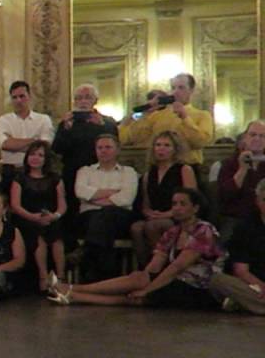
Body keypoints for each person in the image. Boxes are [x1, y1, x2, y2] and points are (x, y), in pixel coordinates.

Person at [49, 188, 220, 309]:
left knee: (138, 296)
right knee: (139, 278)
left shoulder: (203, 230)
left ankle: (74, 291)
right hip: (175, 279)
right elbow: (156, 263)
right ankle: (72, 292)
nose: (177, 208)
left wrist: (148, 289)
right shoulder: (173, 232)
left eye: (183, 204)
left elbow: (178, 266)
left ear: (195, 208)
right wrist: (145, 279)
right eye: (174, 203)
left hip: (198, 285)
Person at [52, 83, 119, 235]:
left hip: (99, 171)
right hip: (72, 171)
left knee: (95, 208)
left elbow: (114, 145)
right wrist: (66, 128)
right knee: (72, 208)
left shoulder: (107, 122)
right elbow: (56, 149)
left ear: (95, 100)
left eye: (87, 97)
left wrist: (101, 126)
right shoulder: (68, 122)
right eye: (79, 98)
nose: (83, 101)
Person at [74, 134, 138, 283]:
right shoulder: (85, 171)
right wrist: (113, 192)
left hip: (120, 217)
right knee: (103, 217)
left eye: (108, 147)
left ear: (117, 150)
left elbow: (126, 198)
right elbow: (81, 192)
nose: (103, 151)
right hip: (88, 217)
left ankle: (89, 262)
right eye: (100, 148)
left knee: (107, 214)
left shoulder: (128, 172)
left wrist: (94, 196)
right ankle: (107, 276)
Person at [131, 131, 197, 267]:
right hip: (156, 215)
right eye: (158, 145)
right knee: (136, 228)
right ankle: (145, 267)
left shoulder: (184, 170)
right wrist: (149, 213)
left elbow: (191, 200)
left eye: (167, 145)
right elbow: (145, 203)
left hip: (178, 215)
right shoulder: (149, 174)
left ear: (175, 149)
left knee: (154, 226)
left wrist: (169, 213)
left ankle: (162, 267)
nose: (161, 149)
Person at [119, 73, 213, 166]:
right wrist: (146, 112)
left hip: (188, 165)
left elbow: (200, 142)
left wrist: (185, 117)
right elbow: (136, 138)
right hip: (159, 165)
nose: (175, 92)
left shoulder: (202, 115)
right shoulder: (157, 115)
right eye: (173, 88)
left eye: (181, 88)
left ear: (191, 90)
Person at [9, 140, 66, 292]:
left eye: (40, 155)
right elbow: (15, 205)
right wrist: (32, 217)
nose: (35, 158)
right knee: (38, 235)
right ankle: (43, 277)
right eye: (32, 154)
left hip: (50, 216)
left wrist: (55, 215)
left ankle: (60, 277)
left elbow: (62, 204)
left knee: (56, 234)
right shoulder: (19, 178)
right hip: (26, 218)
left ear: (46, 159)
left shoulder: (55, 179)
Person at [210, 178, 265, 315]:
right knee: (218, 281)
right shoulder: (245, 228)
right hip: (253, 285)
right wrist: (262, 286)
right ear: (257, 201)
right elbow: (241, 270)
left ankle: (243, 304)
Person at [0, 80, 54, 183]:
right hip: (10, 171)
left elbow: (44, 147)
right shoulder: (3, 120)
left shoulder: (43, 119)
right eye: (14, 97)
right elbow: (5, 144)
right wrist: (35, 140)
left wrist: (14, 143)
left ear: (29, 96)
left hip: (37, 171)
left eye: (22, 96)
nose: (18, 100)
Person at [217, 120, 265, 242]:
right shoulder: (229, 164)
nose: (257, 139)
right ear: (245, 138)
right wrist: (242, 169)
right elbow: (225, 196)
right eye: (253, 135)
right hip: (236, 218)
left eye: (262, 136)